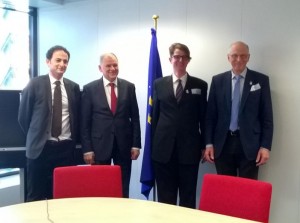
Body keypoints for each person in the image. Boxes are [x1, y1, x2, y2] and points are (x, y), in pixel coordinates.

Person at [18, 45, 81, 201]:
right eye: (58, 60)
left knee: (63, 195)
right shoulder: (34, 84)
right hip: (41, 149)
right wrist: (37, 135)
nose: (62, 64)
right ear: (48, 62)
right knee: (36, 196)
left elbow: (77, 116)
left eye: (65, 61)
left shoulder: (73, 87)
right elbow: (23, 117)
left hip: (66, 149)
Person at [204, 41, 273, 179]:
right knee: (225, 191)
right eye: (235, 55)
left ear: (248, 57)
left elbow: (267, 117)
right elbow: (210, 116)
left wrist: (265, 147)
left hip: (250, 146)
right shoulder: (218, 81)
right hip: (222, 145)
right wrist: (209, 144)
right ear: (228, 57)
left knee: (247, 192)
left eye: (243, 56)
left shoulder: (261, 80)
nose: (239, 59)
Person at [151, 43, 207, 208]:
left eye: (184, 57)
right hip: (163, 151)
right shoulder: (158, 84)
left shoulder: (200, 85)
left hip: (189, 150)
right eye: (176, 56)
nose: (180, 60)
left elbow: (204, 118)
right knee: (165, 199)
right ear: (170, 59)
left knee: (188, 198)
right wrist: (153, 146)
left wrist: (205, 145)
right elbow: (154, 117)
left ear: (188, 60)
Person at [81, 53, 141, 198]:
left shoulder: (129, 87)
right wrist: (87, 149)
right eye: (108, 65)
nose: (112, 68)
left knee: (123, 185)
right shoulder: (90, 89)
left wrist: (136, 145)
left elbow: (135, 118)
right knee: (100, 186)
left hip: (124, 145)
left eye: (115, 65)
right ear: (100, 68)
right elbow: (85, 122)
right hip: (99, 145)